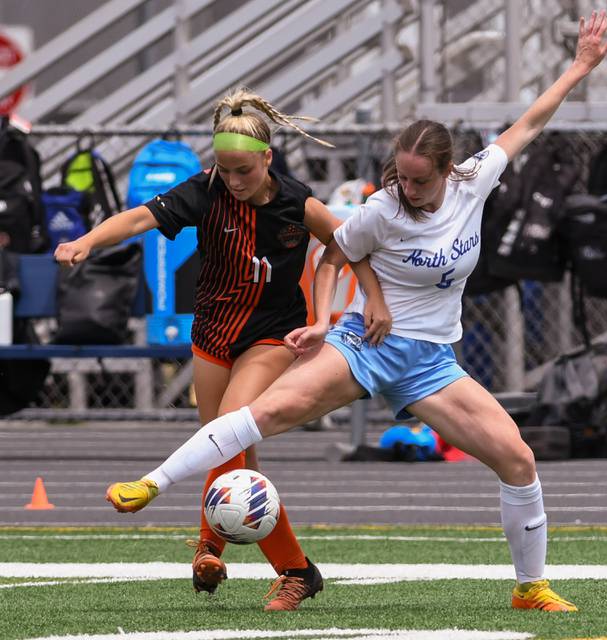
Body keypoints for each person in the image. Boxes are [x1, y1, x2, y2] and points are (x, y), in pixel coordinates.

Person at [105, 11, 607, 612]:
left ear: (449, 172)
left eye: (419, 181)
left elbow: (529, 122)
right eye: (400, 176)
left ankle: (530, 589)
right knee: (264, 412)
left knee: (518, 459)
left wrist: (579, 66)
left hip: (429, 362)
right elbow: (331, 256)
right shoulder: (381, 209)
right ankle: (152, 483)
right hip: (365, 348)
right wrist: (326, 319)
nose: (407, 189)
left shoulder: (474, 181)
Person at [55, 89, 392, 611]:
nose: (233, 181)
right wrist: (87, 241)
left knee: (228, 427)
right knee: (229, 451)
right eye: (224, 170)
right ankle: (247, 558)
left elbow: (346, 242)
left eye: (243, 171)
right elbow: (140, 218)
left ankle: (271, 564)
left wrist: (371, 296)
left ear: (267, 159)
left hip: (272, 336)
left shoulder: (295, 202)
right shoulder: (205, 191)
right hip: (212, 333)